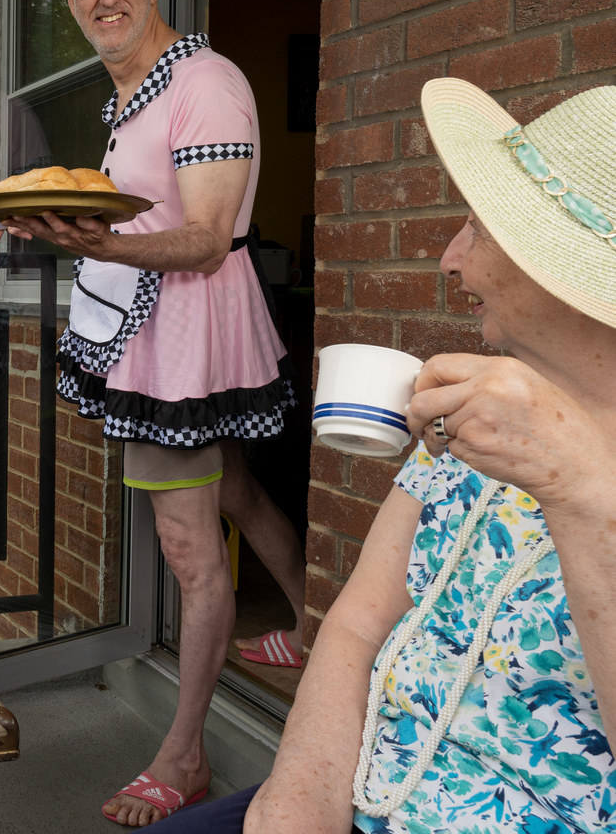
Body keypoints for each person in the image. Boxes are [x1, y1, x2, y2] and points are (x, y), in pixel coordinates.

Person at [146, 78, 616, 833]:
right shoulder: (479, 415)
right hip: (361, 789)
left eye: (479, 229)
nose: (447, 258)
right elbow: (359, 622)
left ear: (564, 270)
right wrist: (295, 800)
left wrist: (582, 490)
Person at [0, 0, 307, 826]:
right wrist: (72, 230)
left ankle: (183, 758)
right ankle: (313, 622)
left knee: (187, 546)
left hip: (185, 337)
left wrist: (99, 240)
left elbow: (209, 238)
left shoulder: (206, 84)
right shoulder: (136, 90)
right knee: (237, 488)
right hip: (156, 326)